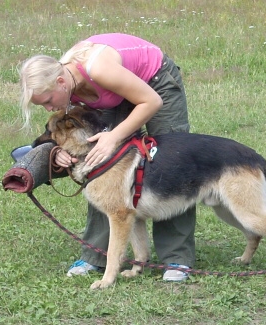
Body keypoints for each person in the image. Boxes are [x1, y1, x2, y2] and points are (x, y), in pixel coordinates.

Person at [19, 33, 196, 281]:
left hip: (154, 84)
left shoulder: (98, 69)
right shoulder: (66, 87)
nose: (50, 108)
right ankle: (96, 255)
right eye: (43, 106)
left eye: (48, 101)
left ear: (61, 81)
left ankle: (177, 258)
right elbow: (71, 132)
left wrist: (113, 137)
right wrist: (58, 150)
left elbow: (150, 101)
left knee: (171, 159)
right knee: (99, 168)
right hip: (114, 92)